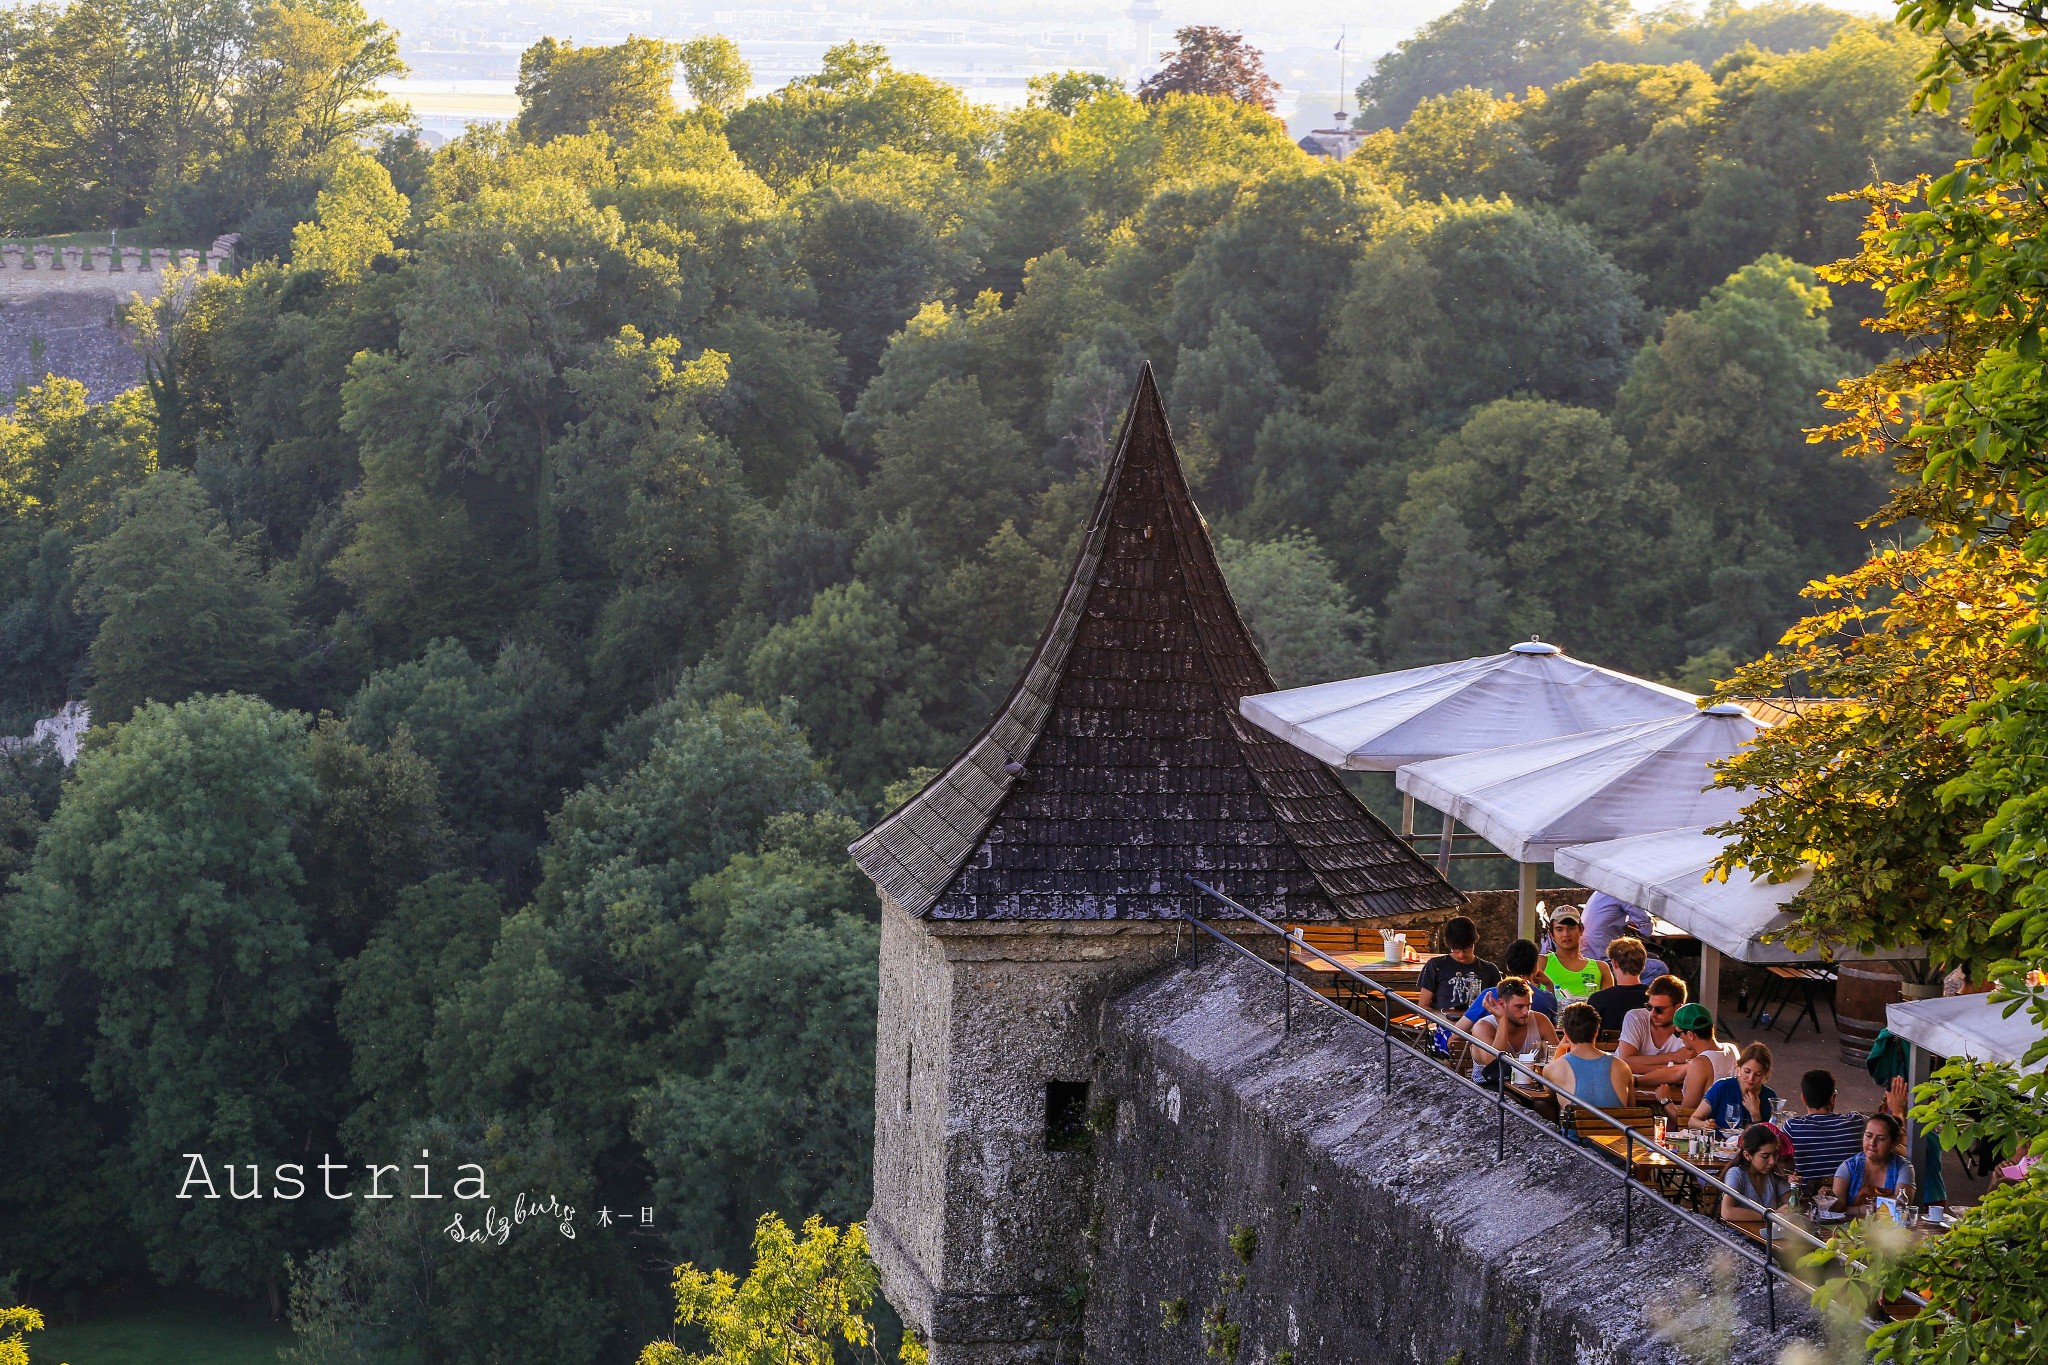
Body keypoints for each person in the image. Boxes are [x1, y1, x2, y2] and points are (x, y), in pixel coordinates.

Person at [1418, 916, 1499, 1049]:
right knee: (1457, 1044)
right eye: (1455, 949)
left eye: (1466, 949)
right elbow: (1422, 1008)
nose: (1461, 954)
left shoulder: (1489, 969)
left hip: (1481, 1026)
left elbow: (1498, 1006)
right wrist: (1448, 1020)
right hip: (1447, 1027)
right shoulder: (1436, 965)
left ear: (1474, 943)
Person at [1782, 1070, 1866, 1191]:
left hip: (1809, 1199)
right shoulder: (1856, 1122)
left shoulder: (1792, 1127)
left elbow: (1783, 1166)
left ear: (1803, 1099)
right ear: (1833, 1097)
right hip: (1849, 1198)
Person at [1541, 1002, 1633, 1112]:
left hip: (1578, 1129)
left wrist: (1559, 1053)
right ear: (1596, 1032)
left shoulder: (1553, 1069)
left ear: (1565, 1033)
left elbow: (1548, 1092)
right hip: (1616, 1129)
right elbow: (1631, 1108)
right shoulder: (1622, 1067)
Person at [1456, 939, 1558, 1037]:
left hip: (1494, 1050)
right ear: (1536, 967)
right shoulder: (1547, 999)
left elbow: (1458, 1031)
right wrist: (1549, 985)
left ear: (1508, 966)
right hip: (1532, 1053)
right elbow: (1553, 1029)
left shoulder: (1489, 996)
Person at [1616, 975, 1692, 1101]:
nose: (1653, 1014)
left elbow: (1688, 1070)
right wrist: (1672, 1059)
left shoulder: (1688, 1030)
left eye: (1659, 1009)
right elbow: (1624, 1062)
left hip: (1669, 1095)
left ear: (1678, 1008)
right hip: (1627, 1089)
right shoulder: (1635, 1017)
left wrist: (1638, 1064)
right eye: (1649, 1007)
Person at [1470, 977, 1557, 1084]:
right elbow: (1494, 1064)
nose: (1526, 1012)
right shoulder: (1483, 1027)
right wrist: (1503, 1020)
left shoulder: (1540, 1020)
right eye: (1519, 1006)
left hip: (1530, 1088)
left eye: (1528, 1005)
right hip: (1489, 1089)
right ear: (1502, 1004)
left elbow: (1558, 1057)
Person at [1832, 1113, 1913, 1215]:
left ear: (1894, 1143)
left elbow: (1901, 1204)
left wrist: (1850, 1210)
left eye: (1881, 1138)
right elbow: (1838, 1207)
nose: (1872, 1143)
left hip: (1890, 1230)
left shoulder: (1903, 1167)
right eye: (1868, 1136)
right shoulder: (1849, 1167)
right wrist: (1829, 1198)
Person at [1691, 1041, 1777, 1133]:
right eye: (1747, 1071)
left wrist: (1755, 1114)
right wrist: (1704, 1125)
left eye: (1758, 1074)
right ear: (1738, 1068)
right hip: (1720, 1144)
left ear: (1765, 1074)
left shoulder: (1769, 1096)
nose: (1751, 1078)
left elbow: (1768, 1136)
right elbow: (1693, 1120)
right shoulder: (1722, 1087)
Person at [1581, 890, 1670, 977]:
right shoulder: (1626, 893)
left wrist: (1633, 919)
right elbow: (1647, 931)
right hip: (1602, 959)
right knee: (1660, 968)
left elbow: (1613, 912)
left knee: (1653, 957)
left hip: (1586, 952)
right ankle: (1629, 990)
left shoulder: (1604, 890)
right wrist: (1647, 920)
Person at [1673, 1003, 1741, 1116]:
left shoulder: (1700, 1063)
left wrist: (1664, 1100)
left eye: (1678, 1033)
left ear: (1690, 1034)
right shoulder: (1732, 1049)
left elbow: (1684, 1116)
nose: (1679, 1037)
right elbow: (1675, 1072)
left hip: (1707, 1128)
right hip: (1732, 1121)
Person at [1721, 1123, 1794, 1224]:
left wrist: (1795, 1188)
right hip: (1738, 1238)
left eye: (1775, 1154)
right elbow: (1727, 1212)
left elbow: (1791, 1205)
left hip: (1767, 1237)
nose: (1772, 1161)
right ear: (1747, 1155)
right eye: (1765, 1156)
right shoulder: (1736, 1174)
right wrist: (1770, 1215)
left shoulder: (1773, 1173)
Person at [1535, 909, 1611, 1003]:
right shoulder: (1541, 962)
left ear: (1581, 930)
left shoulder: (1601, 968)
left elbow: (1608, 1006)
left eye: (1571, 928)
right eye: (1559, 929)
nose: (1566, 934)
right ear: (1551, 935)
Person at [1586, 937, 1649, 1033]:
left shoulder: (1598, 999)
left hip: (1605, 1048)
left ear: (1614, 963)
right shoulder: (1653, 998)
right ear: (1643, 964)